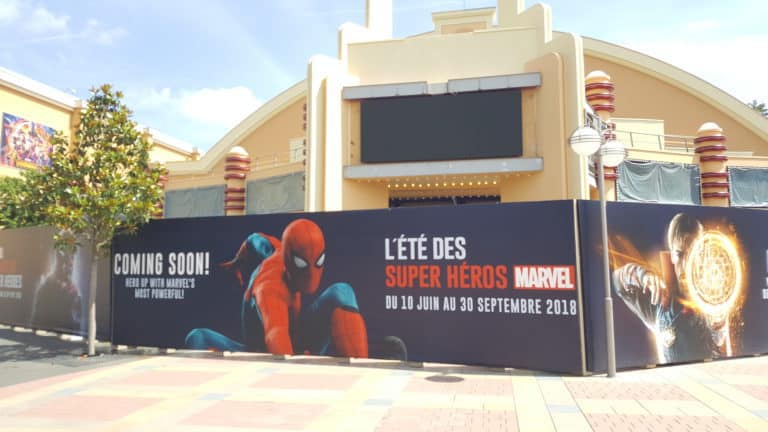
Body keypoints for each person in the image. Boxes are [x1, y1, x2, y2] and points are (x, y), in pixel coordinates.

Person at [186, 218, 369, 357]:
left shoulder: (278, 249)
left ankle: (361, 368)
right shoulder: (270, 289)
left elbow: (254, 239)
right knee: (198, 337)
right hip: (260, 353)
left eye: (319, 261)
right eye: (302, 264)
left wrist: (237, 261)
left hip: (295, 338)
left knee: (341, 291)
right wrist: (294, 369)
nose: (311, 274)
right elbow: (276, 334)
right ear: (290, 260)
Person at [612, 212, 731, 364]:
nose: (686, 264)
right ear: (672, 256)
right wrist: (643, 275)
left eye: (692, 254)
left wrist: (718, 317)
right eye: (680, 254)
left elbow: (719, 340)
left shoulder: (711, 299)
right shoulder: (659, 302)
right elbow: (618, 283)